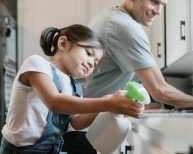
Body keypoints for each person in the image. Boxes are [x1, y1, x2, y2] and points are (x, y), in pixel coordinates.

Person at [62, 0, 193, 153]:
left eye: (162, 4)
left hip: (77, 123)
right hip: (81, 129)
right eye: (154, 1)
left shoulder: (110, 17)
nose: (159, 11)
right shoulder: (125, 27)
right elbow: (160, 91)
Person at [0, 24, 143, 154]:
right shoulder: (37, 64)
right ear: (63, 43)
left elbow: (76, 122)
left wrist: (106, 104)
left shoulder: (74, 87)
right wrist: (108, 102)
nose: (92, 63)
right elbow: (54, 102)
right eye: (89, 53)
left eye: (96, 62)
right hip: (20, 150)